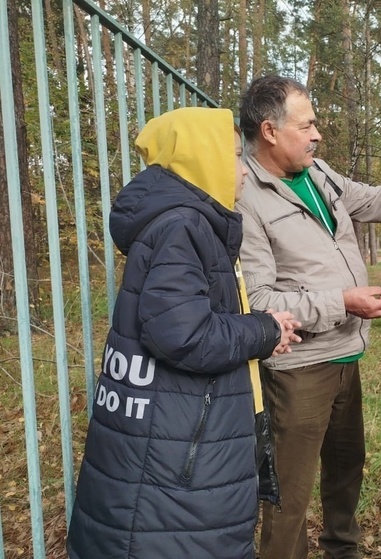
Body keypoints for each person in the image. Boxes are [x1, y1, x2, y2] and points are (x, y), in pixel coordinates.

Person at [235, 75, 381, 559]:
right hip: (296, 371)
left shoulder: (319, 173)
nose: (317, 134)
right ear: (270, 131)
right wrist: (343, 301)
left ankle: (343, 551)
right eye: (307, 125)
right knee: (289, 497)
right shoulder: (244, 194)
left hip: (347, 357)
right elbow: (258, 301)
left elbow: (378, 200)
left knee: (346, 470)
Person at [66, 107, 301, 559]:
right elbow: (184, 335)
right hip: (174, 465)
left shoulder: (189, 223)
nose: (244, 168)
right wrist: (263, 329)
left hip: (172, 447)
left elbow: (188, 317)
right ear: (203, 159)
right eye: (234, 155)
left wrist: (264, 328)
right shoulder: (183, 226)